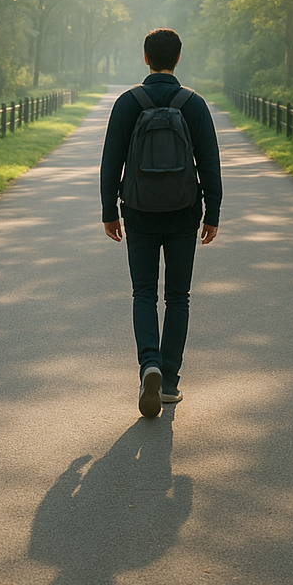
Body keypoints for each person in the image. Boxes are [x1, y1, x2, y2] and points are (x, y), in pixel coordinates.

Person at [100, 28, 222, 417]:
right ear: (178, 59)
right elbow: (210, 164)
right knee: (178, 297)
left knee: (144, 293)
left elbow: (110, 163)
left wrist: (109, 211)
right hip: (185, 213)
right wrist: (212, 214)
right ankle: (168, 381)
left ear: (146, 58)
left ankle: (147, 365)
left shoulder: (128, 103)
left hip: (138, 213)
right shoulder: (194, 104)